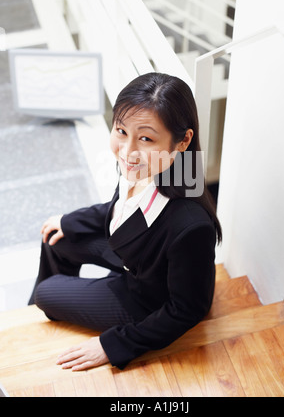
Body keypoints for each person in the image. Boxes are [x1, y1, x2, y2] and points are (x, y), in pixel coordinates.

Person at [29, 72, 222, 371]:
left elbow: (187, 309)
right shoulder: (147, 165)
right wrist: (69, 221)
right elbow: (119, 206)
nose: (128, 152)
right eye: (121, 131)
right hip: (132, 254)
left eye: (146, 138)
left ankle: (56, 304)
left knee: (46, 292)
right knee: (55, 237)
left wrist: (112, 344)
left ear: (182, 141)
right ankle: (57, 310)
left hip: (145, 299)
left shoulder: (191, 226)